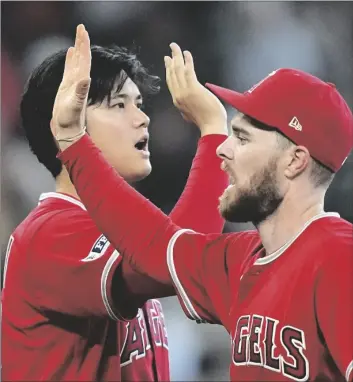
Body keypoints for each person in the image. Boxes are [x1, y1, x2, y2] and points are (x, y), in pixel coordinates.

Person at [53, 25, 353, 381]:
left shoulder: (338, 255)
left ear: (294, 161)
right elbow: (153, 246)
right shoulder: (239, 260)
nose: (223, 149)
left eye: (241, 138)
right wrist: (73, 139)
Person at [1, 25, 229, 381]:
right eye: (118, 105)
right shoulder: (49, 234)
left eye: (139, 104)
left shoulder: (121, 230)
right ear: (65, 118)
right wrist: (214, 129)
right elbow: (180, 258)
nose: (142, 117)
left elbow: (175, 251)